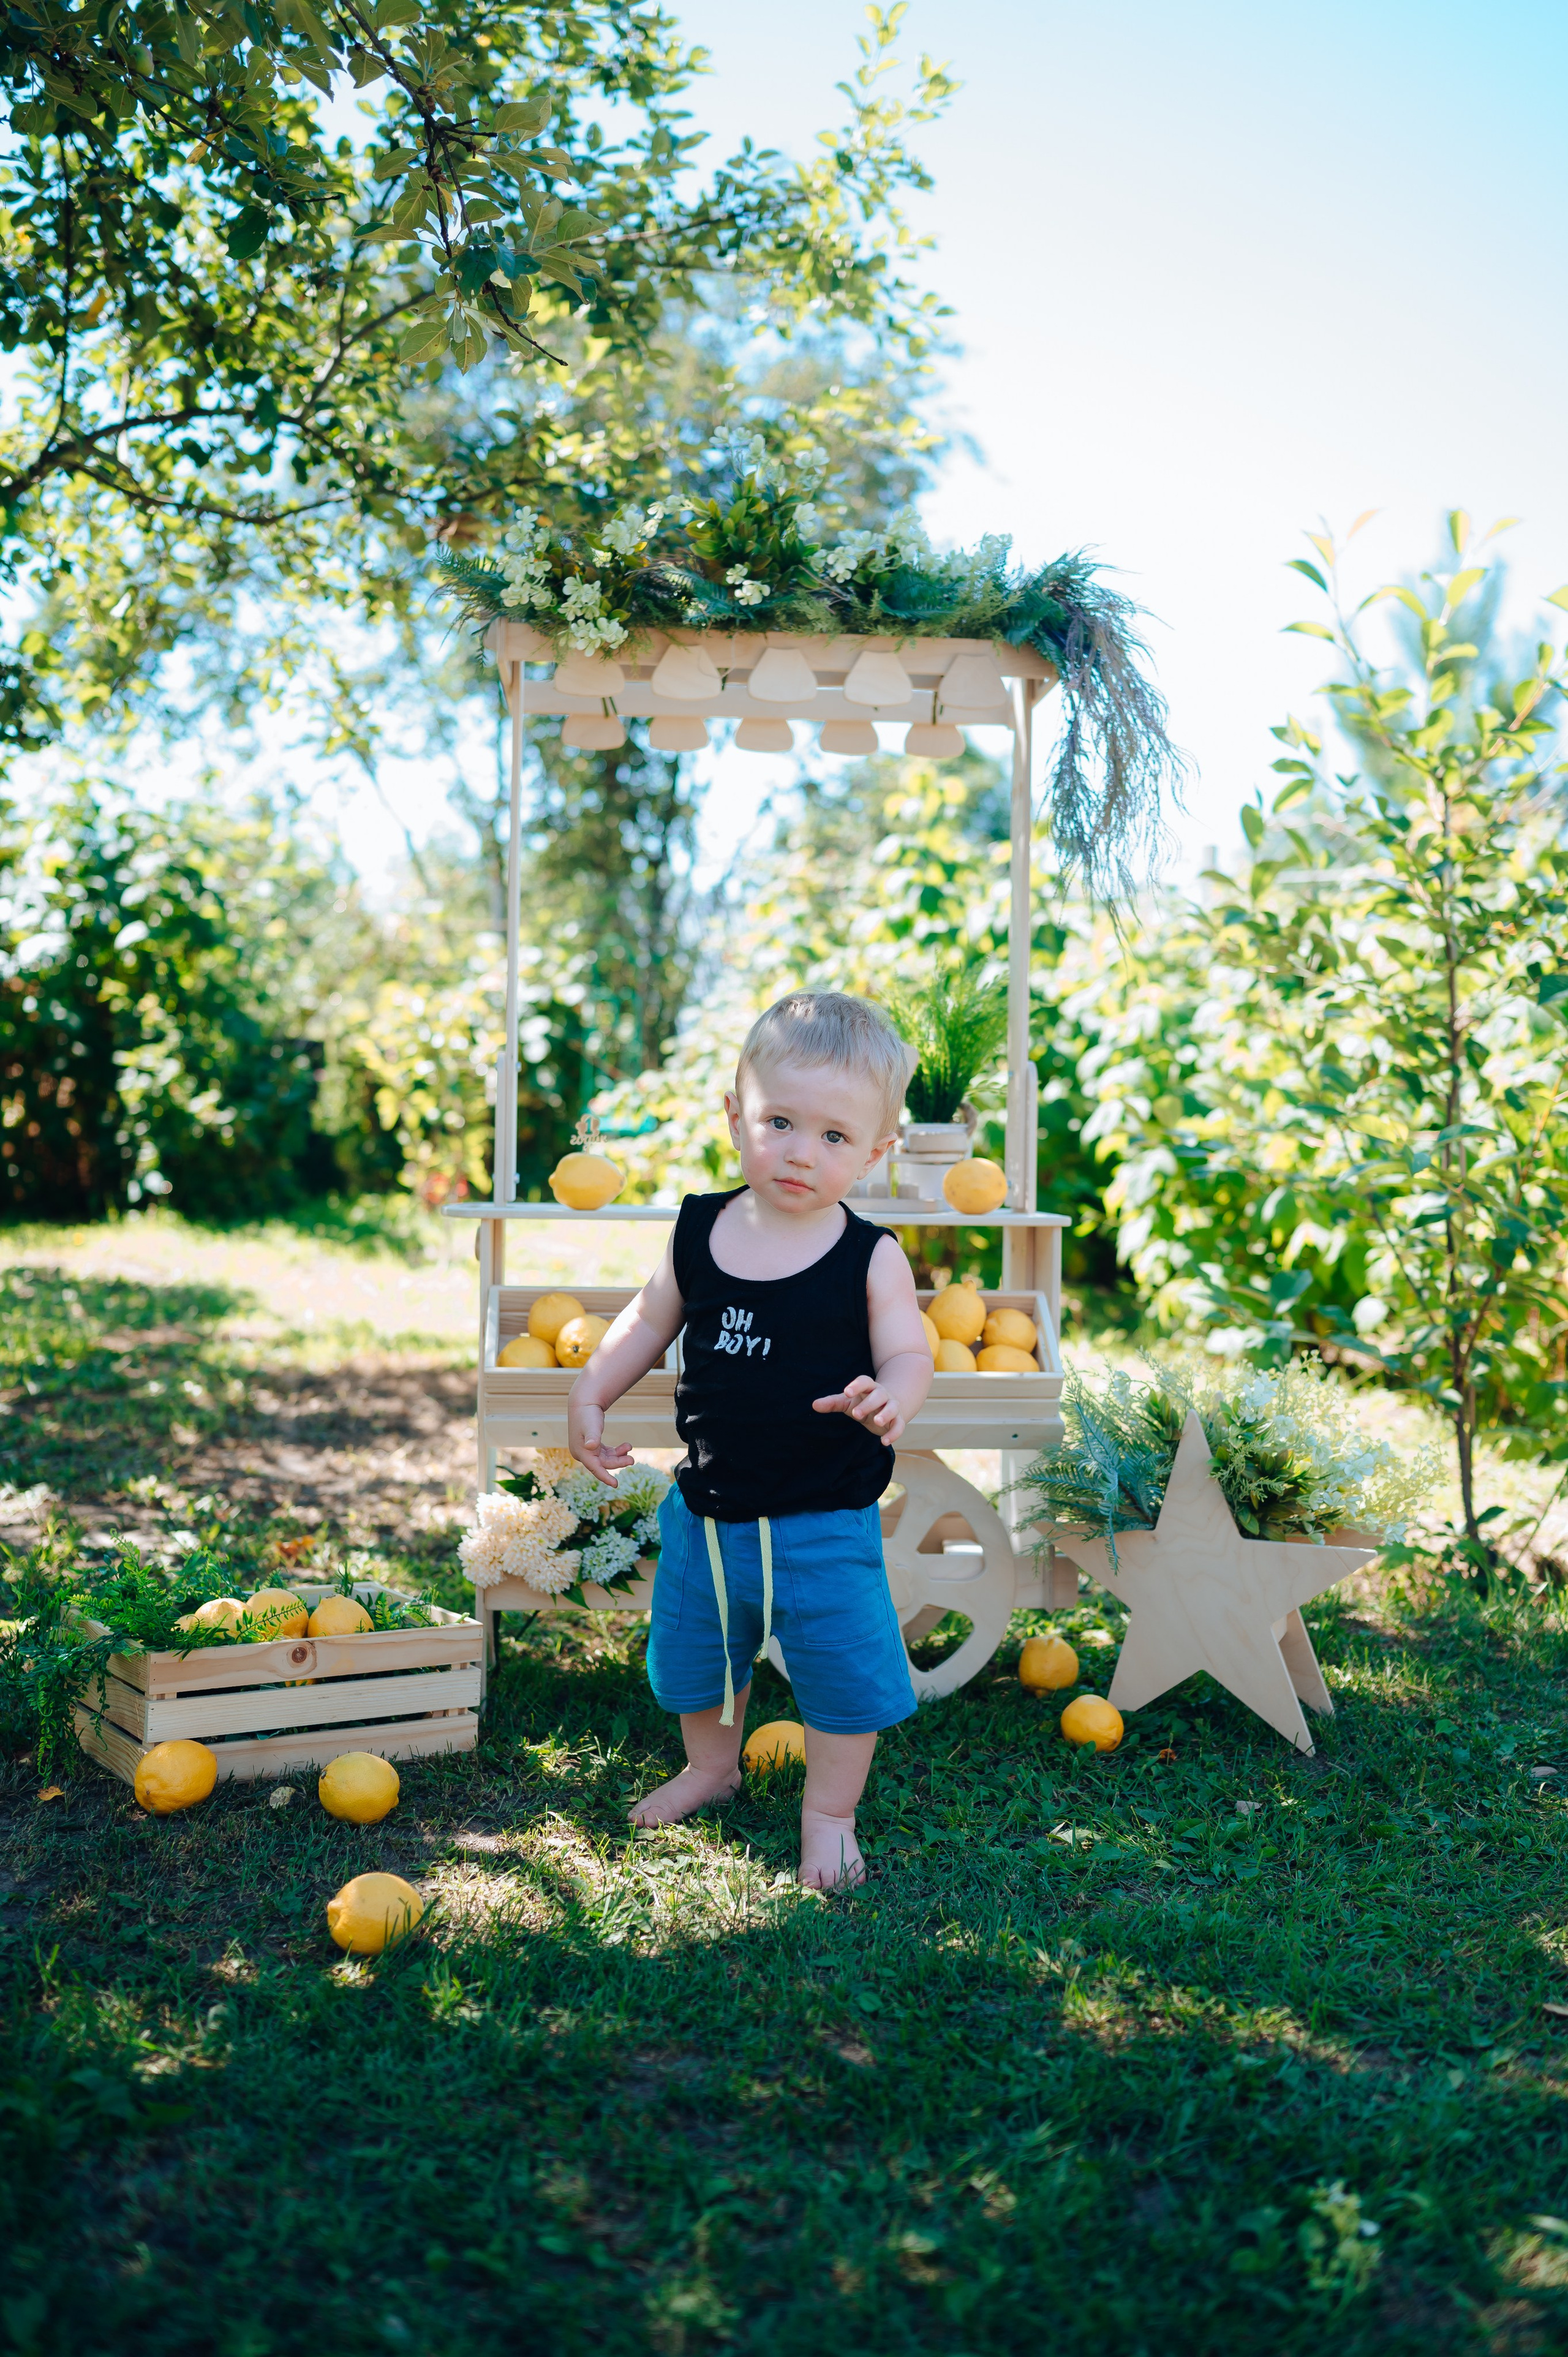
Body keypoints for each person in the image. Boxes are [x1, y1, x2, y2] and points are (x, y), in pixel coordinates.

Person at [567, 990, 933, 1888]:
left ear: (877, 1152)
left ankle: (830, 1814)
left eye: (835, 1137)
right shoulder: (700, 1227)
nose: (802, 1152)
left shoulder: (871, 1255)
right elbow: (646, 1321)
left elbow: (910, 1350)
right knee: (696, 1662)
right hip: (711, 1510)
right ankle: (711, 1768)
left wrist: (892, 1395)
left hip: (823, 1518)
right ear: (735, 1114)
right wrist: (592, 1390)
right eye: (780, 1121)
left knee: (843, 1680)